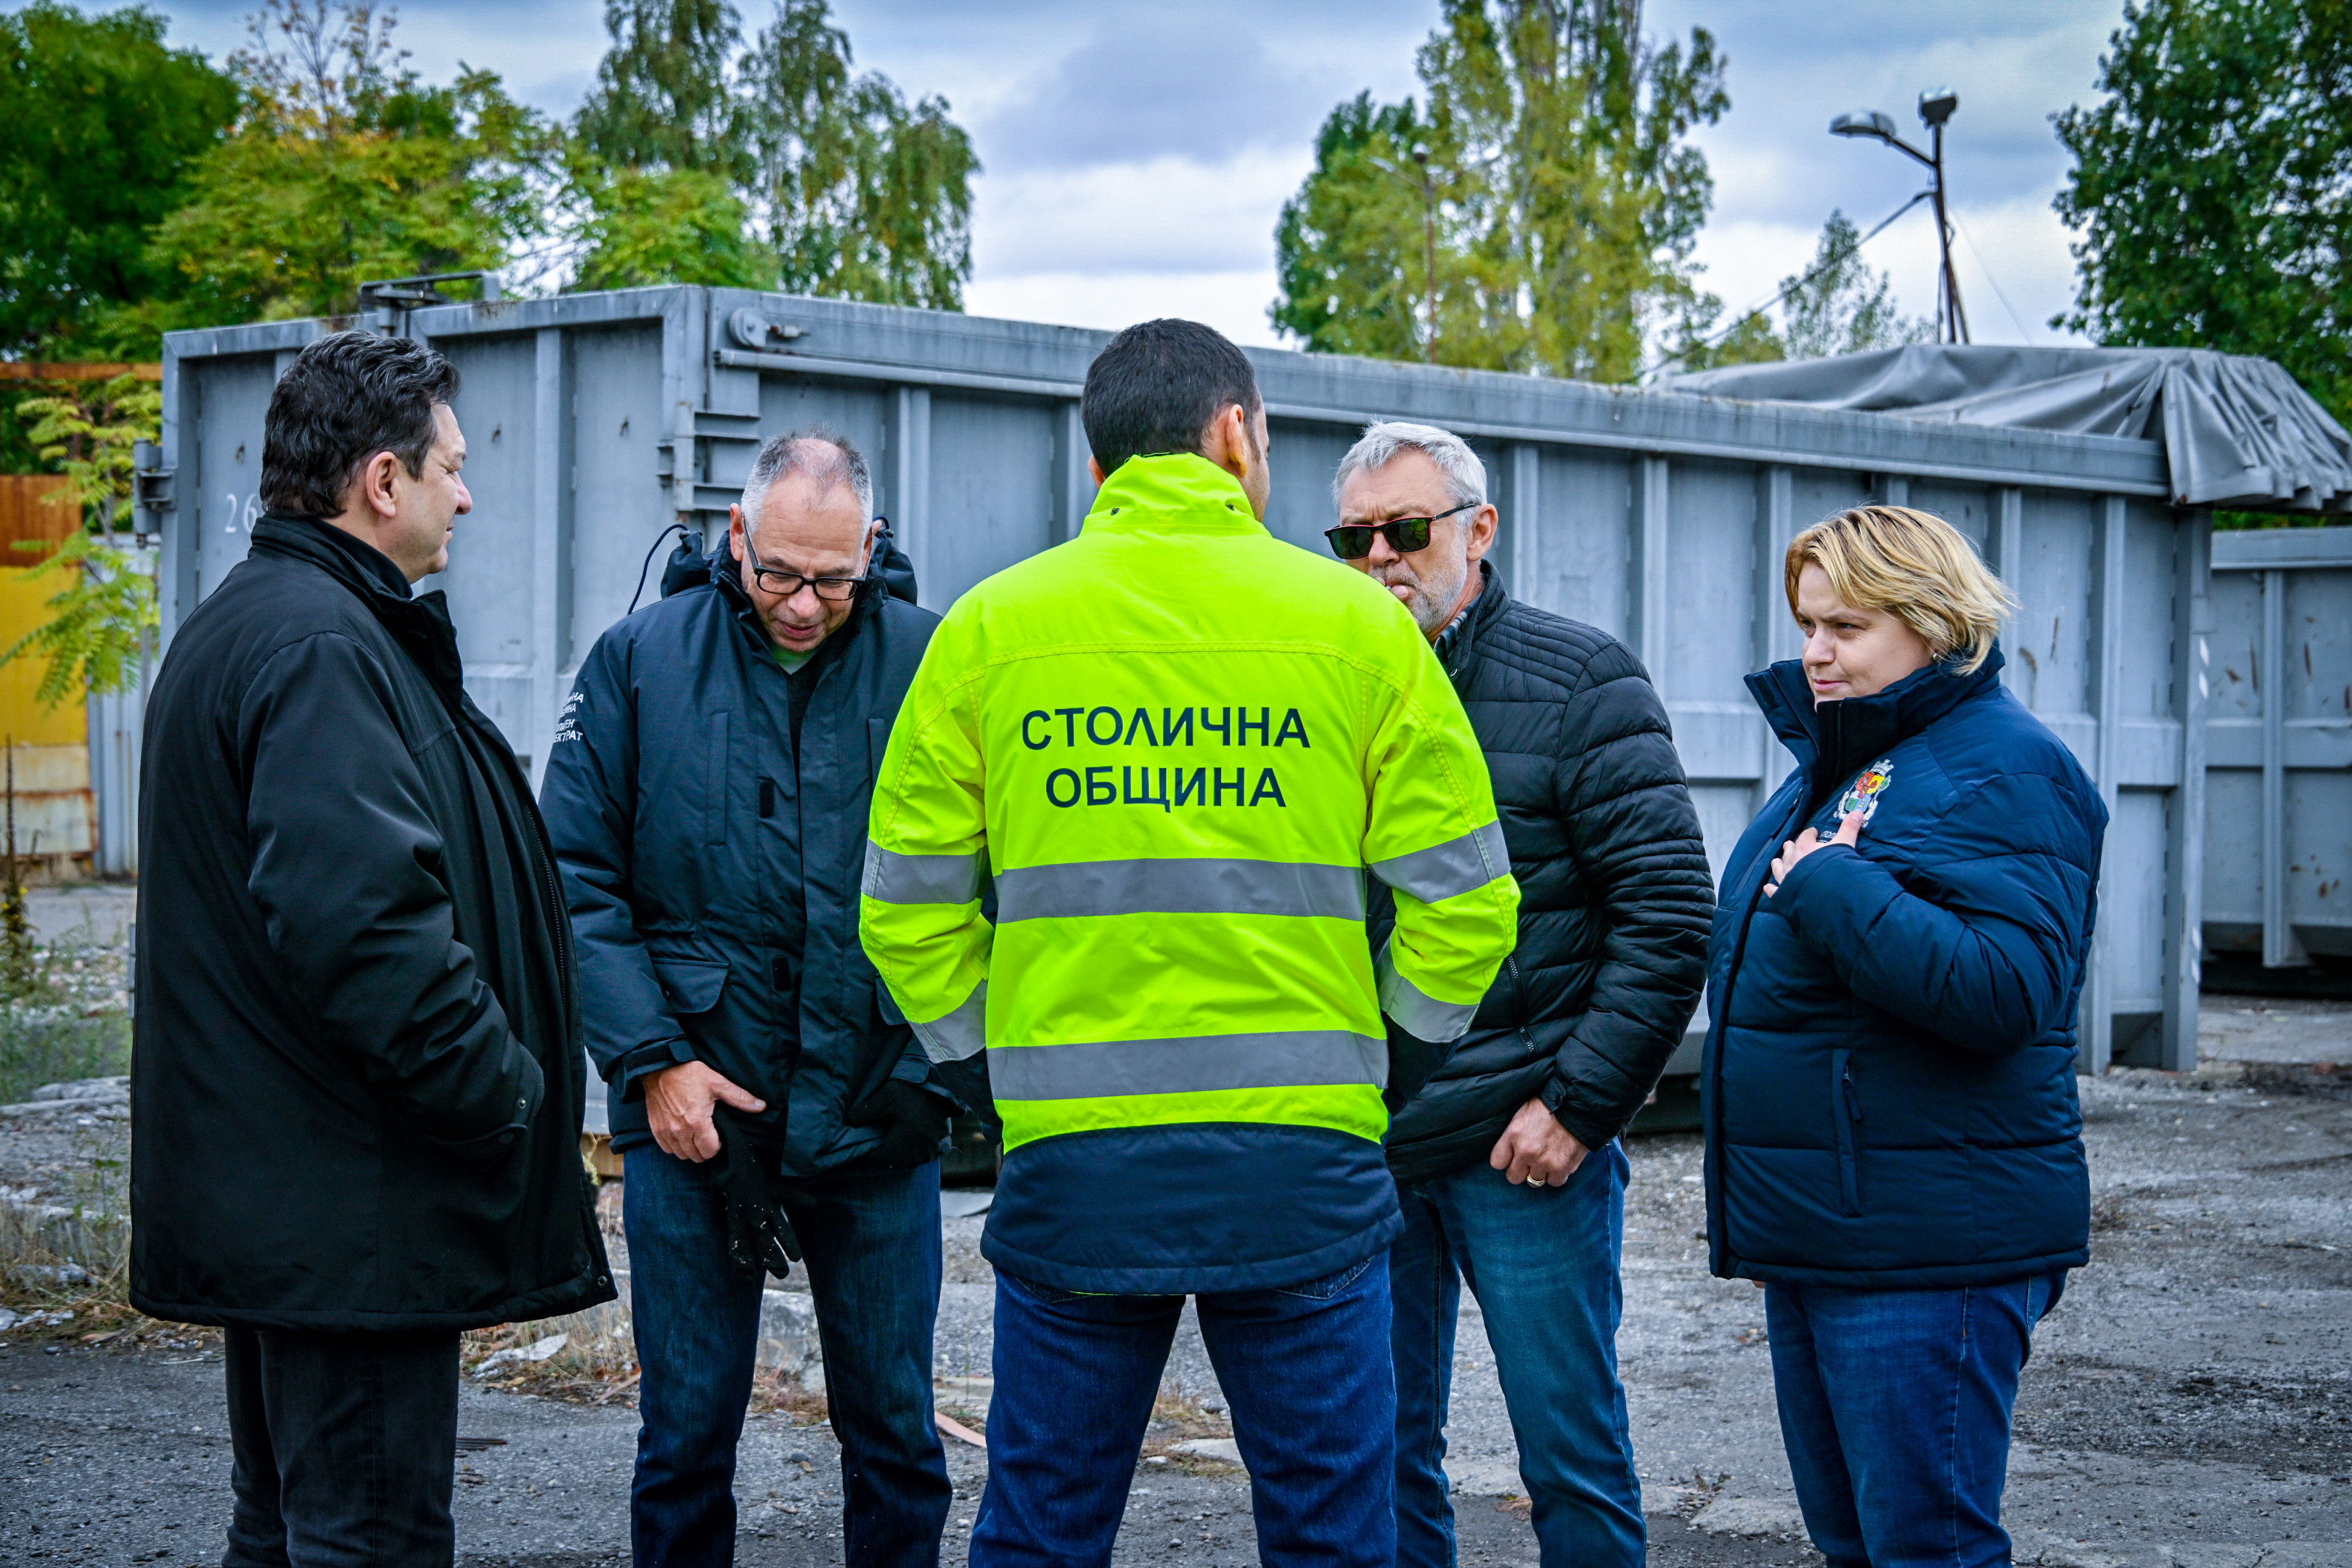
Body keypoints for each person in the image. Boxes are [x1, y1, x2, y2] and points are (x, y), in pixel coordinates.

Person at [859, 319, 1520, 1568]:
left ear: (1100, 466)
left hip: (1078, 1175)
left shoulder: (992, 633)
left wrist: (981, 1067)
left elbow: (904, 907)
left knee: (1044, 1532)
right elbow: (1470, 903)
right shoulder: (1357, 628)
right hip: (1302, 1170)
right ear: (1235, 435)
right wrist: (1393, 1056)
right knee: (1333, 1534)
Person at [129, 330, 613, 1565]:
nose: (468, 491)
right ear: (380, 483)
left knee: (289, 1527)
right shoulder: (323, 646)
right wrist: (506, 1093)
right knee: (368, 1539)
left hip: (295, 1201)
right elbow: (365, 933)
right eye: (449, 465)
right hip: (352, 1213)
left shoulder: (260, 621)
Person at [540, 431, 954, 1568]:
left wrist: (930, 1071)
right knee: (682, 1439)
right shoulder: (636, 663)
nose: (807, 604)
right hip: (691, 1125)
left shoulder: (940, 663)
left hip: (878, 1117)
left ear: (871, 548)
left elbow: (1001, 883)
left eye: (833, 576)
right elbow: (572, 879)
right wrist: (651, 1062)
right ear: (735, 536)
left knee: (897, 1438)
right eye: (780, 573)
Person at [1328, 421, 1712, 1566]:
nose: (1380, 559)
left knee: (1570, 1459)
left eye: (1406, 529)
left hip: (1522, 1147)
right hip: (1377, 1139)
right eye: (1355, 537)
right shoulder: (1327, 690)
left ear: (1478, 530)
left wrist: (1580, 1108)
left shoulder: (1580, 682)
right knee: (1381, 1454)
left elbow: (1671, 915)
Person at [1702, 505, 2104, 1568]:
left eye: (1846, 628)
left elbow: (2009, 991)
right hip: (1830, 1235)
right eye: (1807, 627)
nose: (1816, 655)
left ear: (1933, 622)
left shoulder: (2008, 770)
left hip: (1928, 1252)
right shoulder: (1851, 760)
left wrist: (1833, 888)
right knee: (1856, 1544)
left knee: (1927, 1548)